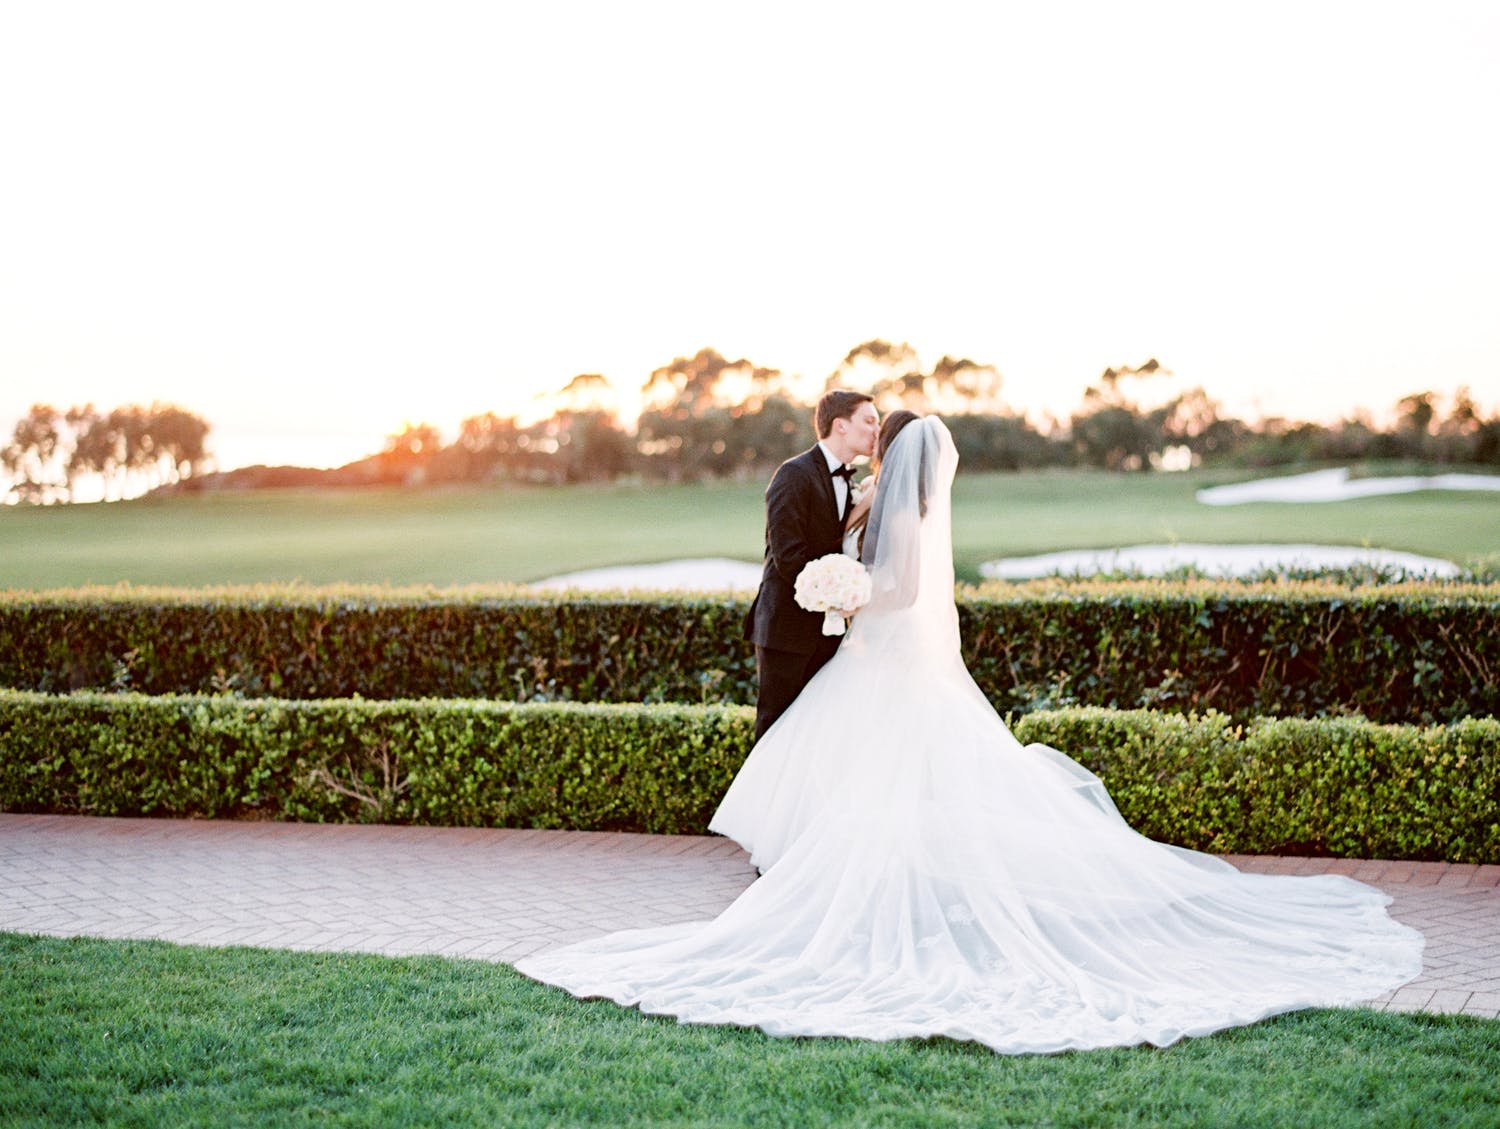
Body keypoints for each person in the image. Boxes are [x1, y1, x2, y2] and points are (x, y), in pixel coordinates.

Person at [517, 414, 1423, 1054]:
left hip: (885, 654)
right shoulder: (888, 505)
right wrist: (848, 580)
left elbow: (903, 593)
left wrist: (855, 591)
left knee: (877, 767)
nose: (882, 449)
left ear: (904, 460)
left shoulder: (903, 516)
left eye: (889, 439)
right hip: (880, 657)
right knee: (863, 766)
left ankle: (861, 879)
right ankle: (828, 867)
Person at [742, 389, 879, 742]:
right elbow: (789, 558)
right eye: (869, 420)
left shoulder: (852, 481)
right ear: (841, 426)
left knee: (816, 735)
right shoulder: (792, 475)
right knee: (776, 732)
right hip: (786, 630)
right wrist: (837, 593)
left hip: (828, 633)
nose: (876, 430)